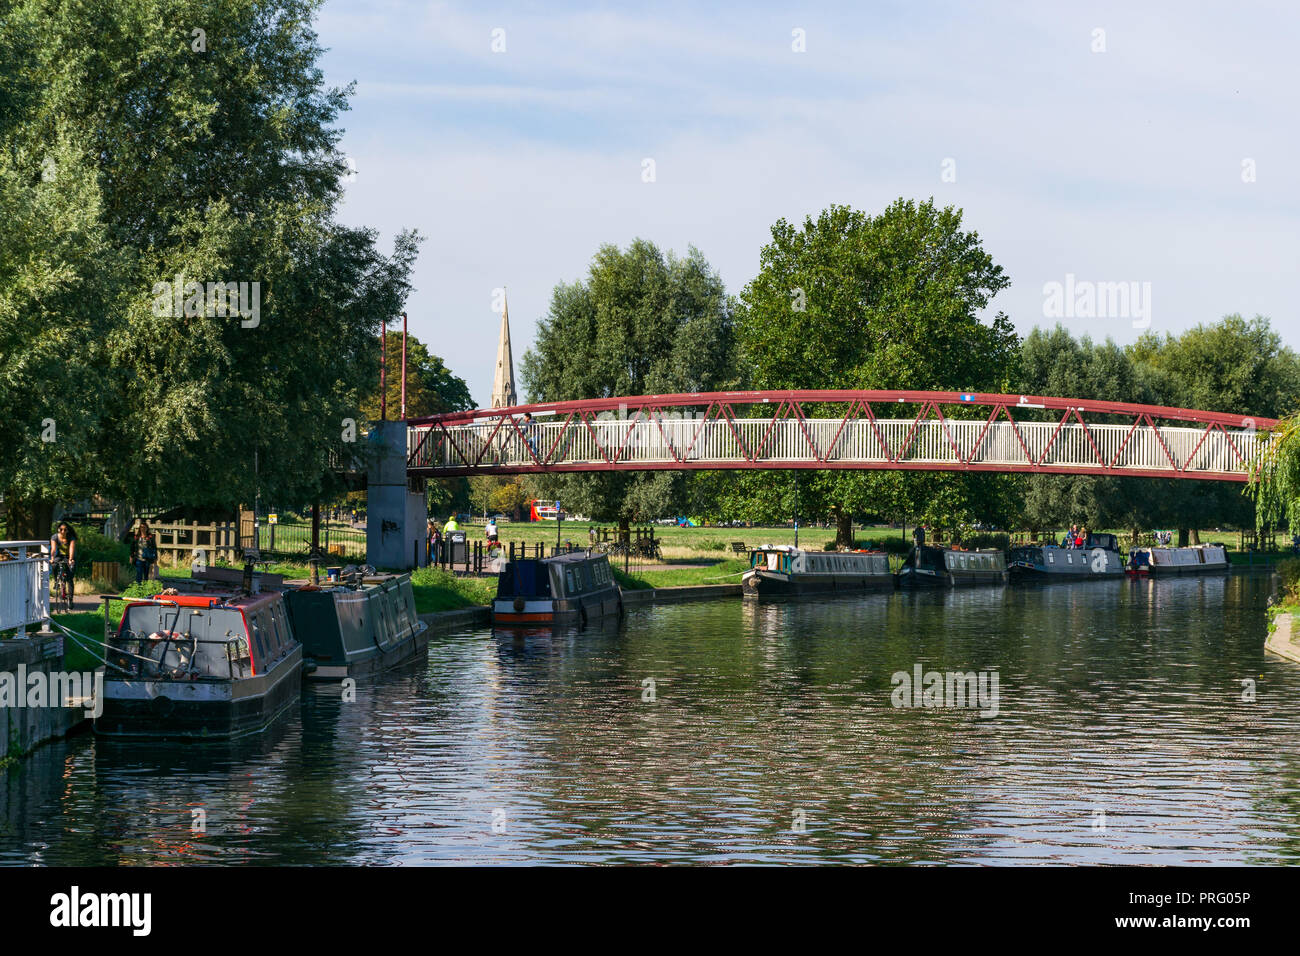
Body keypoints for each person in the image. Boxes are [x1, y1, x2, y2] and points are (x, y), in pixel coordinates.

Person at [49, 521, 77, 601]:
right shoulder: (54, 537)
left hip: (70, 556)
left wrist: (71, 559)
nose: (63, 531)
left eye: (65, 530)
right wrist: (52, 558)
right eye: (61, 529)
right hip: (60, 556)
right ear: (58, 530)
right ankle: (56, 581)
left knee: (70, 577)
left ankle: (70, 599)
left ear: (67, 530)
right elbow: (53, 549)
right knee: (54, 565)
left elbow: (71, 549)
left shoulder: (71, 538)